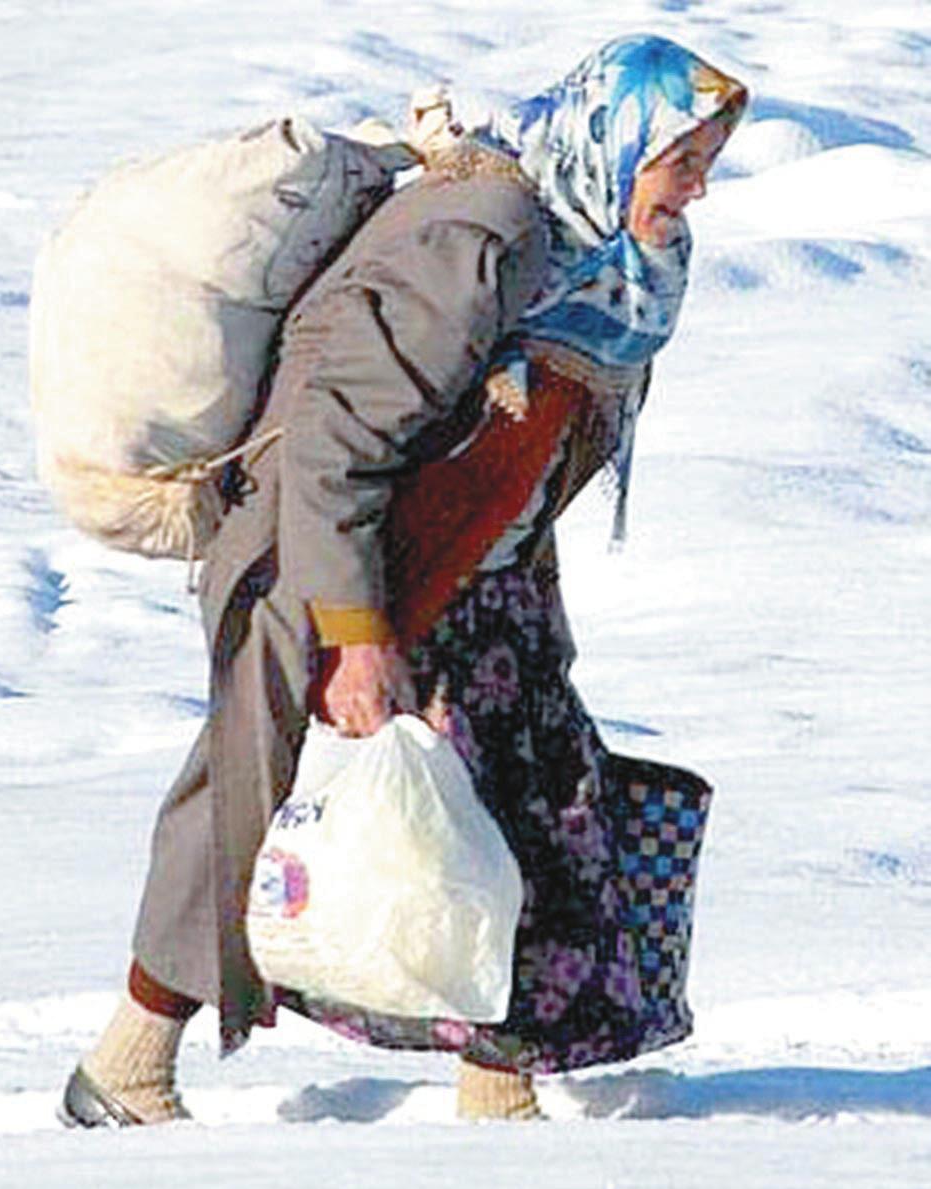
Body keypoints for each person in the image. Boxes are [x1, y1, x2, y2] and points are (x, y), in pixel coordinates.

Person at [59, 34, 747, 1127]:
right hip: (329, 558)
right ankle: (130, 1065)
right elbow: (334, 440)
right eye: (683, 155)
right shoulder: (483, 238)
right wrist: (354, 631)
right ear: (617, 143)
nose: (700, 181)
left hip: (476, 570)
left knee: (528, 806)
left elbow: (519, 435)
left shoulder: (594, 253)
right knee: (260, 801)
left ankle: (496, 1086)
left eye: (711, 153)